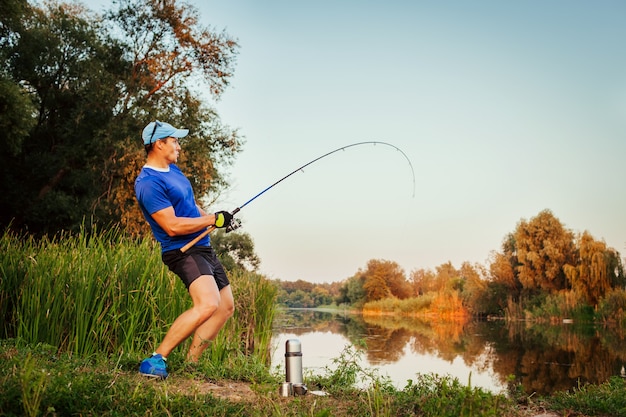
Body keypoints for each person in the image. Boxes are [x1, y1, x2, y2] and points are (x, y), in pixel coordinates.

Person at [134, 120, 235, 379]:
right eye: (175, 141)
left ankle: (191, 365)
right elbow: (172, 226)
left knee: (225, 306)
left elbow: (192, 209)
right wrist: (212, 219)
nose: (179, 146)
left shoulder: (174, 171)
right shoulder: (148, 182)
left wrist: (216, 218)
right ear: (159, 144)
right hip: (182, 250)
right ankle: (156, 359)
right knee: (207, 304)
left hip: (202, 247)